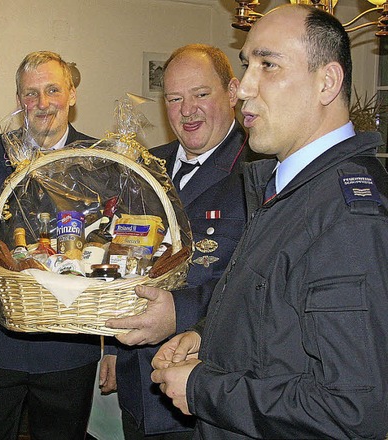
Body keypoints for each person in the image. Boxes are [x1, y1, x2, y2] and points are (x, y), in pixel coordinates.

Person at [151, 5, 388, 439]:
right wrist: (207, 337)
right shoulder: (288, 187)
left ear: (327, 83)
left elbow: (354, 410)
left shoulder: (346, 216)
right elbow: (278, 317)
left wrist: (205, 389)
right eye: (247, 65)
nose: (243, 89)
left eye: (268, 65)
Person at [0, 51, 100, 440]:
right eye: (31, 94)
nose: (43, 103)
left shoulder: (99, 159)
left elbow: (114, 260)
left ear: (72, 94)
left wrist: (111, 350)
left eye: (53, 90)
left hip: (69, 346)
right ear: (19, 100)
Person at [101, 45, 252, 439]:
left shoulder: (258, 171)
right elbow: (125, 258)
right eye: (174, 98)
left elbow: (257, 285)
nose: (188, 110)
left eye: (201, 94)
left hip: (205, 389)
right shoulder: (147, 165)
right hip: (139, 381)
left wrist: (183, 314)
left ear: (233, 92)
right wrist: (115, 351)